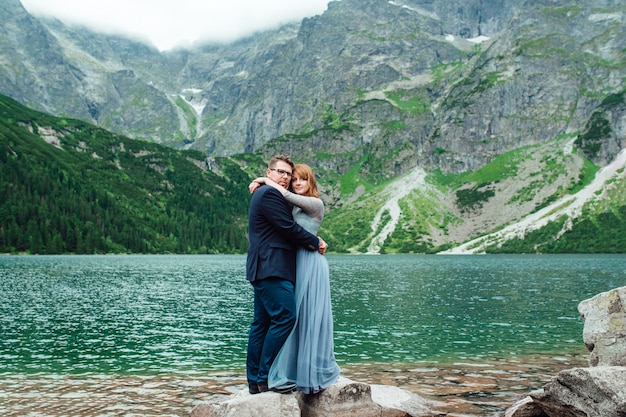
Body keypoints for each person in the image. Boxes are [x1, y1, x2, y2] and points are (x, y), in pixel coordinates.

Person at [249, 163, 340, 394]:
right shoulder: (272, 195)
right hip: (281, 265)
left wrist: (263, 179)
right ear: (271, 172)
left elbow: (289, 215)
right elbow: (287, 226)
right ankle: (263, 378)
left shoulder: (313, 202)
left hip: (306, 264)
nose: (295, 181)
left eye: (301, 179)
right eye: (292, 177)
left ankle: (268, 377)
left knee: (297, 319)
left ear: (312, 183)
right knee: (282, 319)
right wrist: (314, 240)